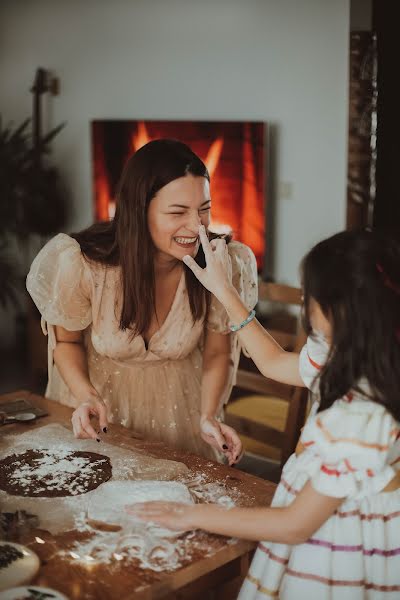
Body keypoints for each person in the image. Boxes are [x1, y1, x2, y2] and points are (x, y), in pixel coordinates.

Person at [127, 227, 400, 599]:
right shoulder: (349, 359)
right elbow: (272, 361)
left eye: (310, 295)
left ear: (342, 312)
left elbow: (295, 526)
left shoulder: (363, 415)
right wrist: (223, 290)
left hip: (337, 560)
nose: (304, 301)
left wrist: (193, 514)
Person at [26, 139, 258, 464]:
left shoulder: (221, 263)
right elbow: (66, 342)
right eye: (178, 212)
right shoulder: (81, 263)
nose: (197, 226)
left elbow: (219, 352)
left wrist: (208, 415)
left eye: (204, 209)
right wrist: (86, 396)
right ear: (138, 210)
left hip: (182, 417)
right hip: (99, 414)